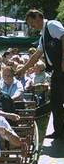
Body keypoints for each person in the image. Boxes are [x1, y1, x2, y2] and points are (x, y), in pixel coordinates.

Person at [18, 9, 64, 138]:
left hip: (61, 68)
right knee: (56, 100)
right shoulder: (43, 35)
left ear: (38, 16)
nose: (31, 26)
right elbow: (36, 55)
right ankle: (59, 131)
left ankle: (60, 131)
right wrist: (23, 69)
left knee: (57, 100)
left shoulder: (52, 25)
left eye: (31, 22)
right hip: (57, 70)